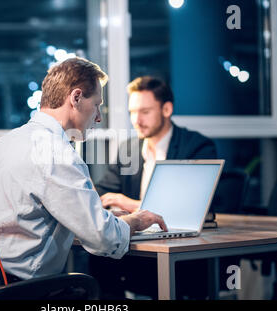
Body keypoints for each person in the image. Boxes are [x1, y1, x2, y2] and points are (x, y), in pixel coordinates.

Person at [0, 58, 167, 283]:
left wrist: (107, 219)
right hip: (18, 288)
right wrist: (136, 221)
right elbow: (103, 238)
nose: (98, 117)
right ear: (76, 97)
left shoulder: (5, 142)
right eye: (97, 105)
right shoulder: (56, 153)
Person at [90, 76, 217, 299]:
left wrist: (128, 204)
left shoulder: (197, 147)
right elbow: (102, 193)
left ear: (166, 109)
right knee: (97, 254)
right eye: (132, 112)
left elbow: (190, 206)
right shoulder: (129, 149)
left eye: (145, 112)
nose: (136, 120)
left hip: (181, 246)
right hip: (139, 245)